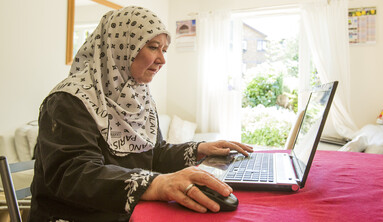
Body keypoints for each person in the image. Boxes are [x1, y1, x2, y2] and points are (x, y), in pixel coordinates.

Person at [29, 6, 253, 222]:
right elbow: (74, 175)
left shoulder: (139, 98)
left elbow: (153, 154)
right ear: (121, 46)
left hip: (122, 212)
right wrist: (155, 184)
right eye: (154, 47)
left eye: (164, 50)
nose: (162, 60)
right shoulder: (70, 100)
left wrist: (199, 149)